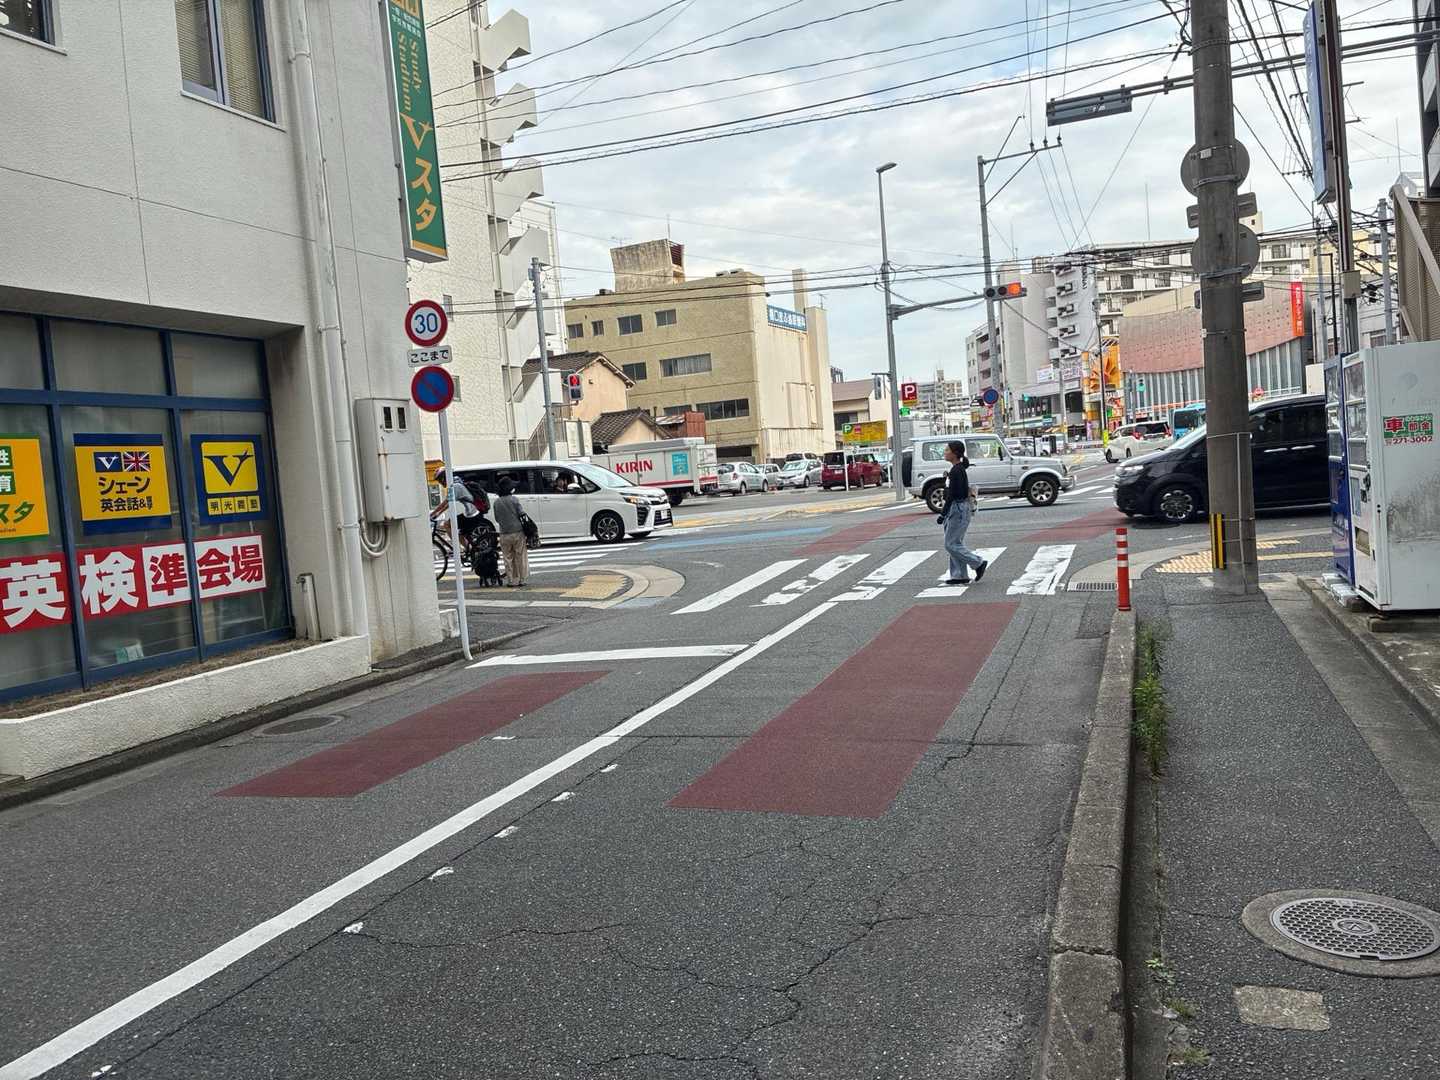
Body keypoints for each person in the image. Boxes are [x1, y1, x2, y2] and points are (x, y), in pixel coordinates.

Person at [938, 441, 989, 586]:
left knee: (950, 544)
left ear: (954, 453)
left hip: (957, 508)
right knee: (955, 542)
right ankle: (959, 575)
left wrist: (943, 513)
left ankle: (978, 563)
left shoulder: (956, 471)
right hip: (958, 508)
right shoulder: (957, 469)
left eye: (947, 450)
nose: (944, 452)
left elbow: (953, 494)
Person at [430, 469, 484, 546]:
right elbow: (449, 504)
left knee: (447, 524)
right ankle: (468, 549)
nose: (440, 483)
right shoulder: (456, 483)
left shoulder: (455, 486)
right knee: (460, 534)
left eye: (439, 480)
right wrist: (438, 514)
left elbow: (445, 503)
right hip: (473, 514)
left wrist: (431, 515)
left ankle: (456, 548)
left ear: (443, 478)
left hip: (473, 515)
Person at [493, 479, 529, 588]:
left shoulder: (496, 502)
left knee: (507, 557)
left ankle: (511, 580)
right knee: (520, 555)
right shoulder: (514, 499)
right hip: (517, 531)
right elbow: (521, 513)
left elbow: (497, 518)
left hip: (504, 533)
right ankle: (522, 579)